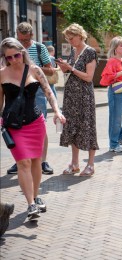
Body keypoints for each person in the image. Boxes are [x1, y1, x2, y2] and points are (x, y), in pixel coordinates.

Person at [0, 37, 65, 219]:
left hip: (35, 122)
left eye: (16, 55)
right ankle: (30, 204)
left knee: (36, 161)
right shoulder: (2, 74)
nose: (13, 60)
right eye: (9, 58)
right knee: (23, 162)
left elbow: (48, 92)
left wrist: (57, 112)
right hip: (13, 125)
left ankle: (35, 198)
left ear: (23, 52)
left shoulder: (35, 70)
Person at [7, 22, 55, 175]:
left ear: (32, 36)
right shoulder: (12, 49)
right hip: (16, 93)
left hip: (37, 92)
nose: (24, 44)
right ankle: (20, 160)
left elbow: (51, 71)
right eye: (21, 40)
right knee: (17, 127)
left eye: (27, 40)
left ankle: (42, 162)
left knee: (39, 126)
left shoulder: (40, 48)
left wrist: (34, 69)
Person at [56, 23, 99, 176]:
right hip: (70, 96)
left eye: (71, 38)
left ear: (80, 36)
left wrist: (71, 68)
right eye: (68, 39)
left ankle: (90, 164)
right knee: (72, 127)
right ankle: (74, 163)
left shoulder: (90, 52)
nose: (70, 41)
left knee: (87, 127)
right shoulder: (73, 51)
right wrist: (63, 67)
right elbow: (68, 74)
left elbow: (88, 77)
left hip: (84, 96)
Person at [100, 36, 122, 153]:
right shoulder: (112, 61)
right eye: (121, 45)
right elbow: (107, 77)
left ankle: (121, 139)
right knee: (116, 119)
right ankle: (113, 144)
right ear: (115, 48)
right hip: (115, 91)